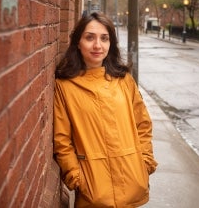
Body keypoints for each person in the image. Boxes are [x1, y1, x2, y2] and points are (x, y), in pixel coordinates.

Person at [53, 12, 158, 207]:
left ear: (111, 44)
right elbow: (62, 140)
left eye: (104, 38)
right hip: (93, 193)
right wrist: (76, 178)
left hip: (132, 184)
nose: (97, 46)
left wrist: (145, 163)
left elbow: (143, 124)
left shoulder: (124, 80)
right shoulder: (65, 86)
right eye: (89, 37)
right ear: (78, 42)